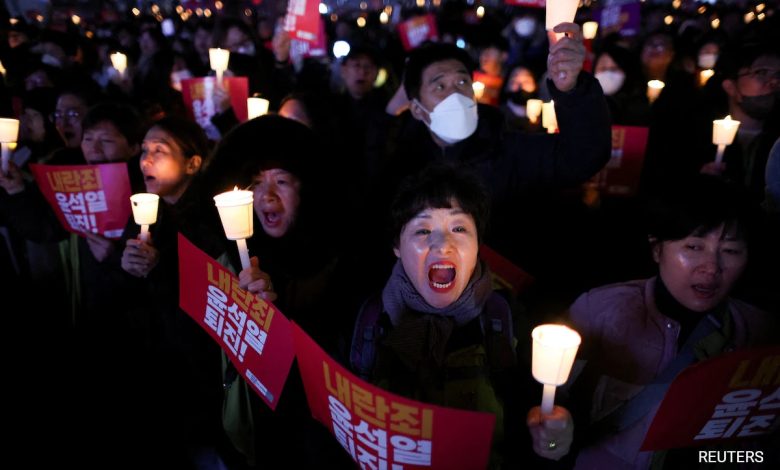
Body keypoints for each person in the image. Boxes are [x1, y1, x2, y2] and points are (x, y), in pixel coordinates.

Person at [351, 163, 574, 469]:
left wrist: (552, 443)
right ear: (396, 248)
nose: (443, 244)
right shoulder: (364, 322)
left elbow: (538, 445)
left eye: (459, 228)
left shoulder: (507, 322)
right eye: (422, 230)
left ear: (478, 245)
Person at [565, 174, 779, 469]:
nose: (711, 267)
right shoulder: (599, 311)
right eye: (693, 247)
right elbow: (549, 424)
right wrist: (552, 442)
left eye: (730, 251)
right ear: (657, 249)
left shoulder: (760, 333)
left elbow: (760, 449)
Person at [206, 115, 355, 468]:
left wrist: (280, 318)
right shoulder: (233, 263)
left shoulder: (342, 261)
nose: (267, 194)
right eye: (257, 183)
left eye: (282, 181)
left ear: (306, 190)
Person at [118, 116, 228, 468]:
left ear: (193, 163)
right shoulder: (147, 211)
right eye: (145, 150)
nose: (146, 159)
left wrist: (160, 267)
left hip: (200, 362)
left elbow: (211, 286)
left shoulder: (214, 216)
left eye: (160, 150)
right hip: (158, 351)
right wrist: (127, 266)